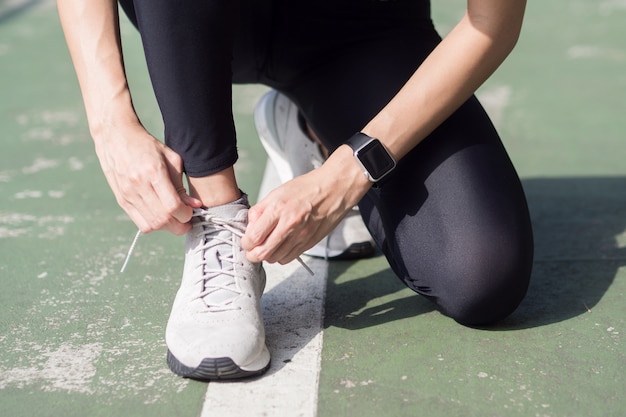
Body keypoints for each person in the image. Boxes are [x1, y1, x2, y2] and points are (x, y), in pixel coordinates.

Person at [56, 0, 534, 381]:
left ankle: (311, 130)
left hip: (362, 25)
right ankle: (220, 219)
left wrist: (346, 174)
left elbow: (492, 22)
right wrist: (110, 122)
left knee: (482, 272)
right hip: (206, 17)